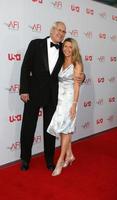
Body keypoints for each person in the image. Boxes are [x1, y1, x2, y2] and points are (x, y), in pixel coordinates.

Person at [19, 21, 84, 171]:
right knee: (28, 127)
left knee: (50, 130)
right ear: (52, 29)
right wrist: (24, 90)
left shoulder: (64, 49)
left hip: (53, 96)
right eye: (58, 30)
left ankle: (49, 160)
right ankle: (25, 159)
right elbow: (25, 67)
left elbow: (74, 64)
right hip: (33, 93)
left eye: (63, 32)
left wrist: (83, 76)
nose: (60, 33)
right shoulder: (36, 44)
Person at [47, 38, 84, 176]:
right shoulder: (61, 61)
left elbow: (76, 86)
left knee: (66, 130)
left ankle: (60, 161)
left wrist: (74, 105)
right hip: (60, 100)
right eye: (65, 46)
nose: (67, 49)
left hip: (69, 101)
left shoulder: (77, 64)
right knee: (63, 129)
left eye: (70, 47)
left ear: (74, 49)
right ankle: (70, 155)